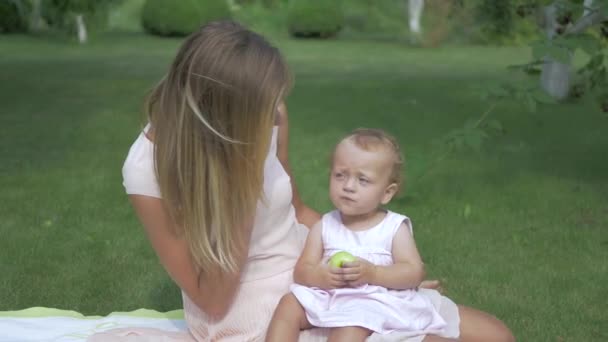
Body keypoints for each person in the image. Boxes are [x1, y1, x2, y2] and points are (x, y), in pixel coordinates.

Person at [90, 21, 515, 341]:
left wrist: (373, 272)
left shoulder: (268, 113)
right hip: (247, 302)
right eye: (263, 105)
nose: (275, 111)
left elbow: (296, 209)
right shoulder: (147, 168)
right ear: (220, 112)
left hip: (310, 265)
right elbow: (212, 297)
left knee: (495, 335)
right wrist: (240, 183)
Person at [266, 128, 458, 342]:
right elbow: (302, 270)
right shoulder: (325, 225)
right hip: (331, 295)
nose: (348, 186)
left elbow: (414, 271)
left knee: (351, 325)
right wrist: (320, 277)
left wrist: (374, 274)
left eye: (363, 180)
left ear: (387, 193)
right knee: (288, 305)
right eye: (340, 175)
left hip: (372, 300)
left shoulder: (393, 227)